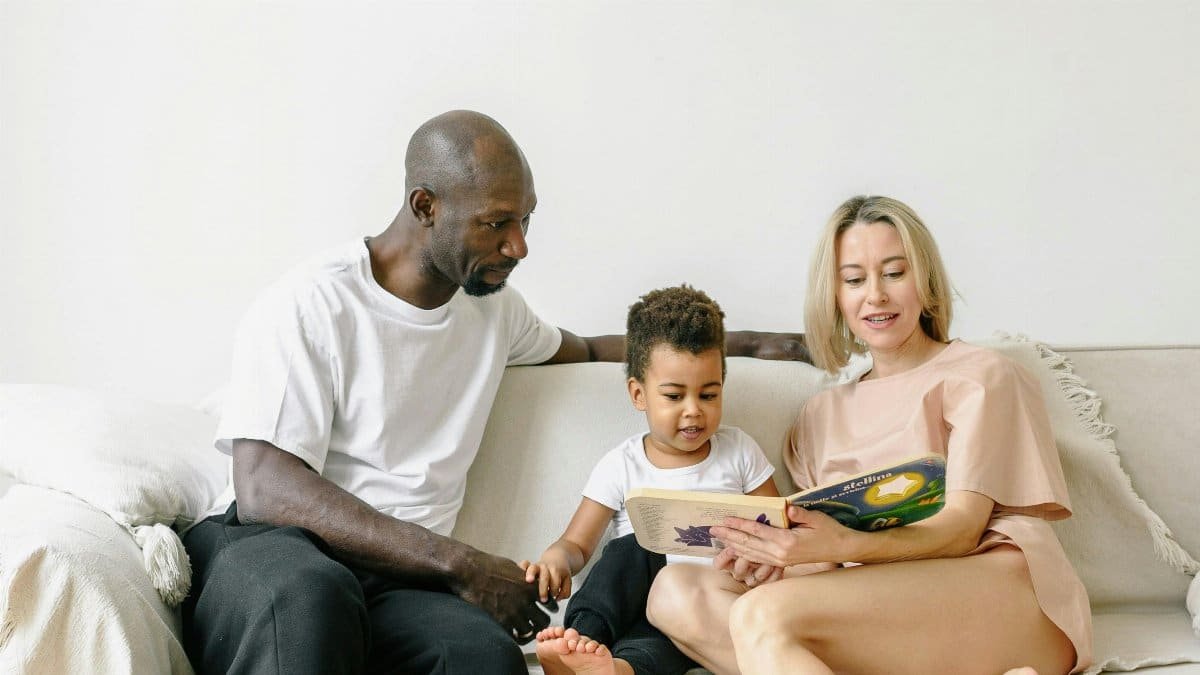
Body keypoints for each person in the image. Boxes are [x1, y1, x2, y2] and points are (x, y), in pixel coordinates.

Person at [180, 110, 809, 675]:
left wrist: (753, 342)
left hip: (402, 584)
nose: (520, 245)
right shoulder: (314, 301)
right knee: (309, 604)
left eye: (526, 219)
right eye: (496, 224)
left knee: (482, 657)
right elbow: (265, 487)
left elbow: (587, 349)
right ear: (425, 205)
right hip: (272, 550)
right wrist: (461, 564)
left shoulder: (494, 312)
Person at [646, 195, 1093, 675]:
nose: (875, 295)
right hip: (883, 603)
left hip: (999, 589)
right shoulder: (819, 415)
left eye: (895, 273)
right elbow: (832, 568)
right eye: (854, 280)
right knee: (673, 594)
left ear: (925, 281)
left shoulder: (983, 375)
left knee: (761, 615)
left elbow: (963, 530)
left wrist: (836, 547)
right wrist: (780, 557)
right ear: (835, 296)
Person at [523, 285, 782, 675]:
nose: (694, 411)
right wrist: (556, 559)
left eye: (708, 395)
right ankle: (579, 640)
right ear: (639, 394)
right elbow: (577, 542)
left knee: (661, 648)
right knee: (631, 550)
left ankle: (615, 668)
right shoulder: (622, 464)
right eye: (675, 397)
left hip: (702, 606)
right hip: (630, 597)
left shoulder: (740, 450)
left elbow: (777, 526)